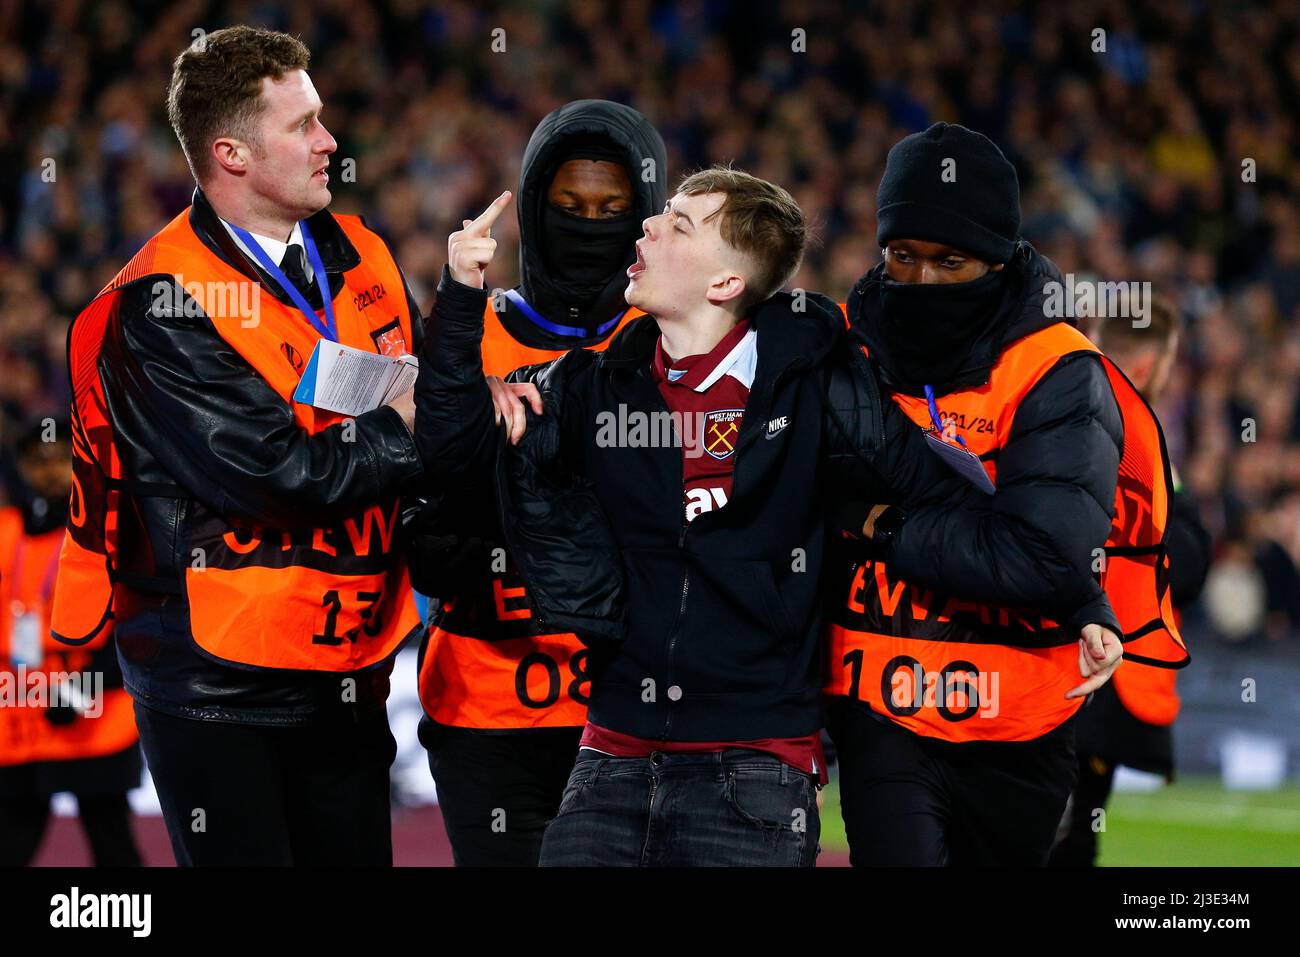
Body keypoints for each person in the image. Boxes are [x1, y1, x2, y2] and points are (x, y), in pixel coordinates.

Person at [415, 165, 1121, 866]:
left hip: (753, 773)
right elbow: (453, 458)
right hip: (609, 756)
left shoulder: (814, 380)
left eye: (679, 223)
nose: (647, 225)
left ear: (725, 283)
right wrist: (460, 299)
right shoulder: (593, 385)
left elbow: (936, 490)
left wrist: (1080, 596)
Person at [49, 26, 427, 866]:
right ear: (232, 153)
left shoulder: (361, 250)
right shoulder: (161, 303)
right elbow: (286, 479)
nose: (332, 141)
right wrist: (408, 421)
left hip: (350, 671)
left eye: (322, 117)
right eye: (303, 126)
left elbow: (428, 391)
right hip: (220, 692)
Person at [824, 122, 1184, 866]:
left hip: (1020, 723)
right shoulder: (845, 347)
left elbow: (1043, 556)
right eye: (903, 256)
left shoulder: (1059, 368)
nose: (919, 280)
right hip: (881, 710)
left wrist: (882, 529)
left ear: (997, 258)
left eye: (948, 261)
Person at [406, 100, 667, 866]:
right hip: (486, 707)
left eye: (613, 210)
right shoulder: (466, 329)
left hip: (635, 709)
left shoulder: (678, 338)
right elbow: (421, 516)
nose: (590, 227)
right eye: (568, 207)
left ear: (645, 215)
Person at [1049, 298, 1212, 866]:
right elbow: (1185, 568)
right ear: (1147, 366)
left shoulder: (1053, 415)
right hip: (1097, 667)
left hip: (1040, 660)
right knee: (1065, 841)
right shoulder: (1137, 445)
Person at [0, 419, 142, 866]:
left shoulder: (110, 530)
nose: (48, 471)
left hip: (95, 715)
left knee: (110, 839)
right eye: (36, 460)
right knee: (10, 843)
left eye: (60, 458)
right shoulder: (7, 530)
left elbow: (134, 626)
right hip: (19, 718)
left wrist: (82, 690)